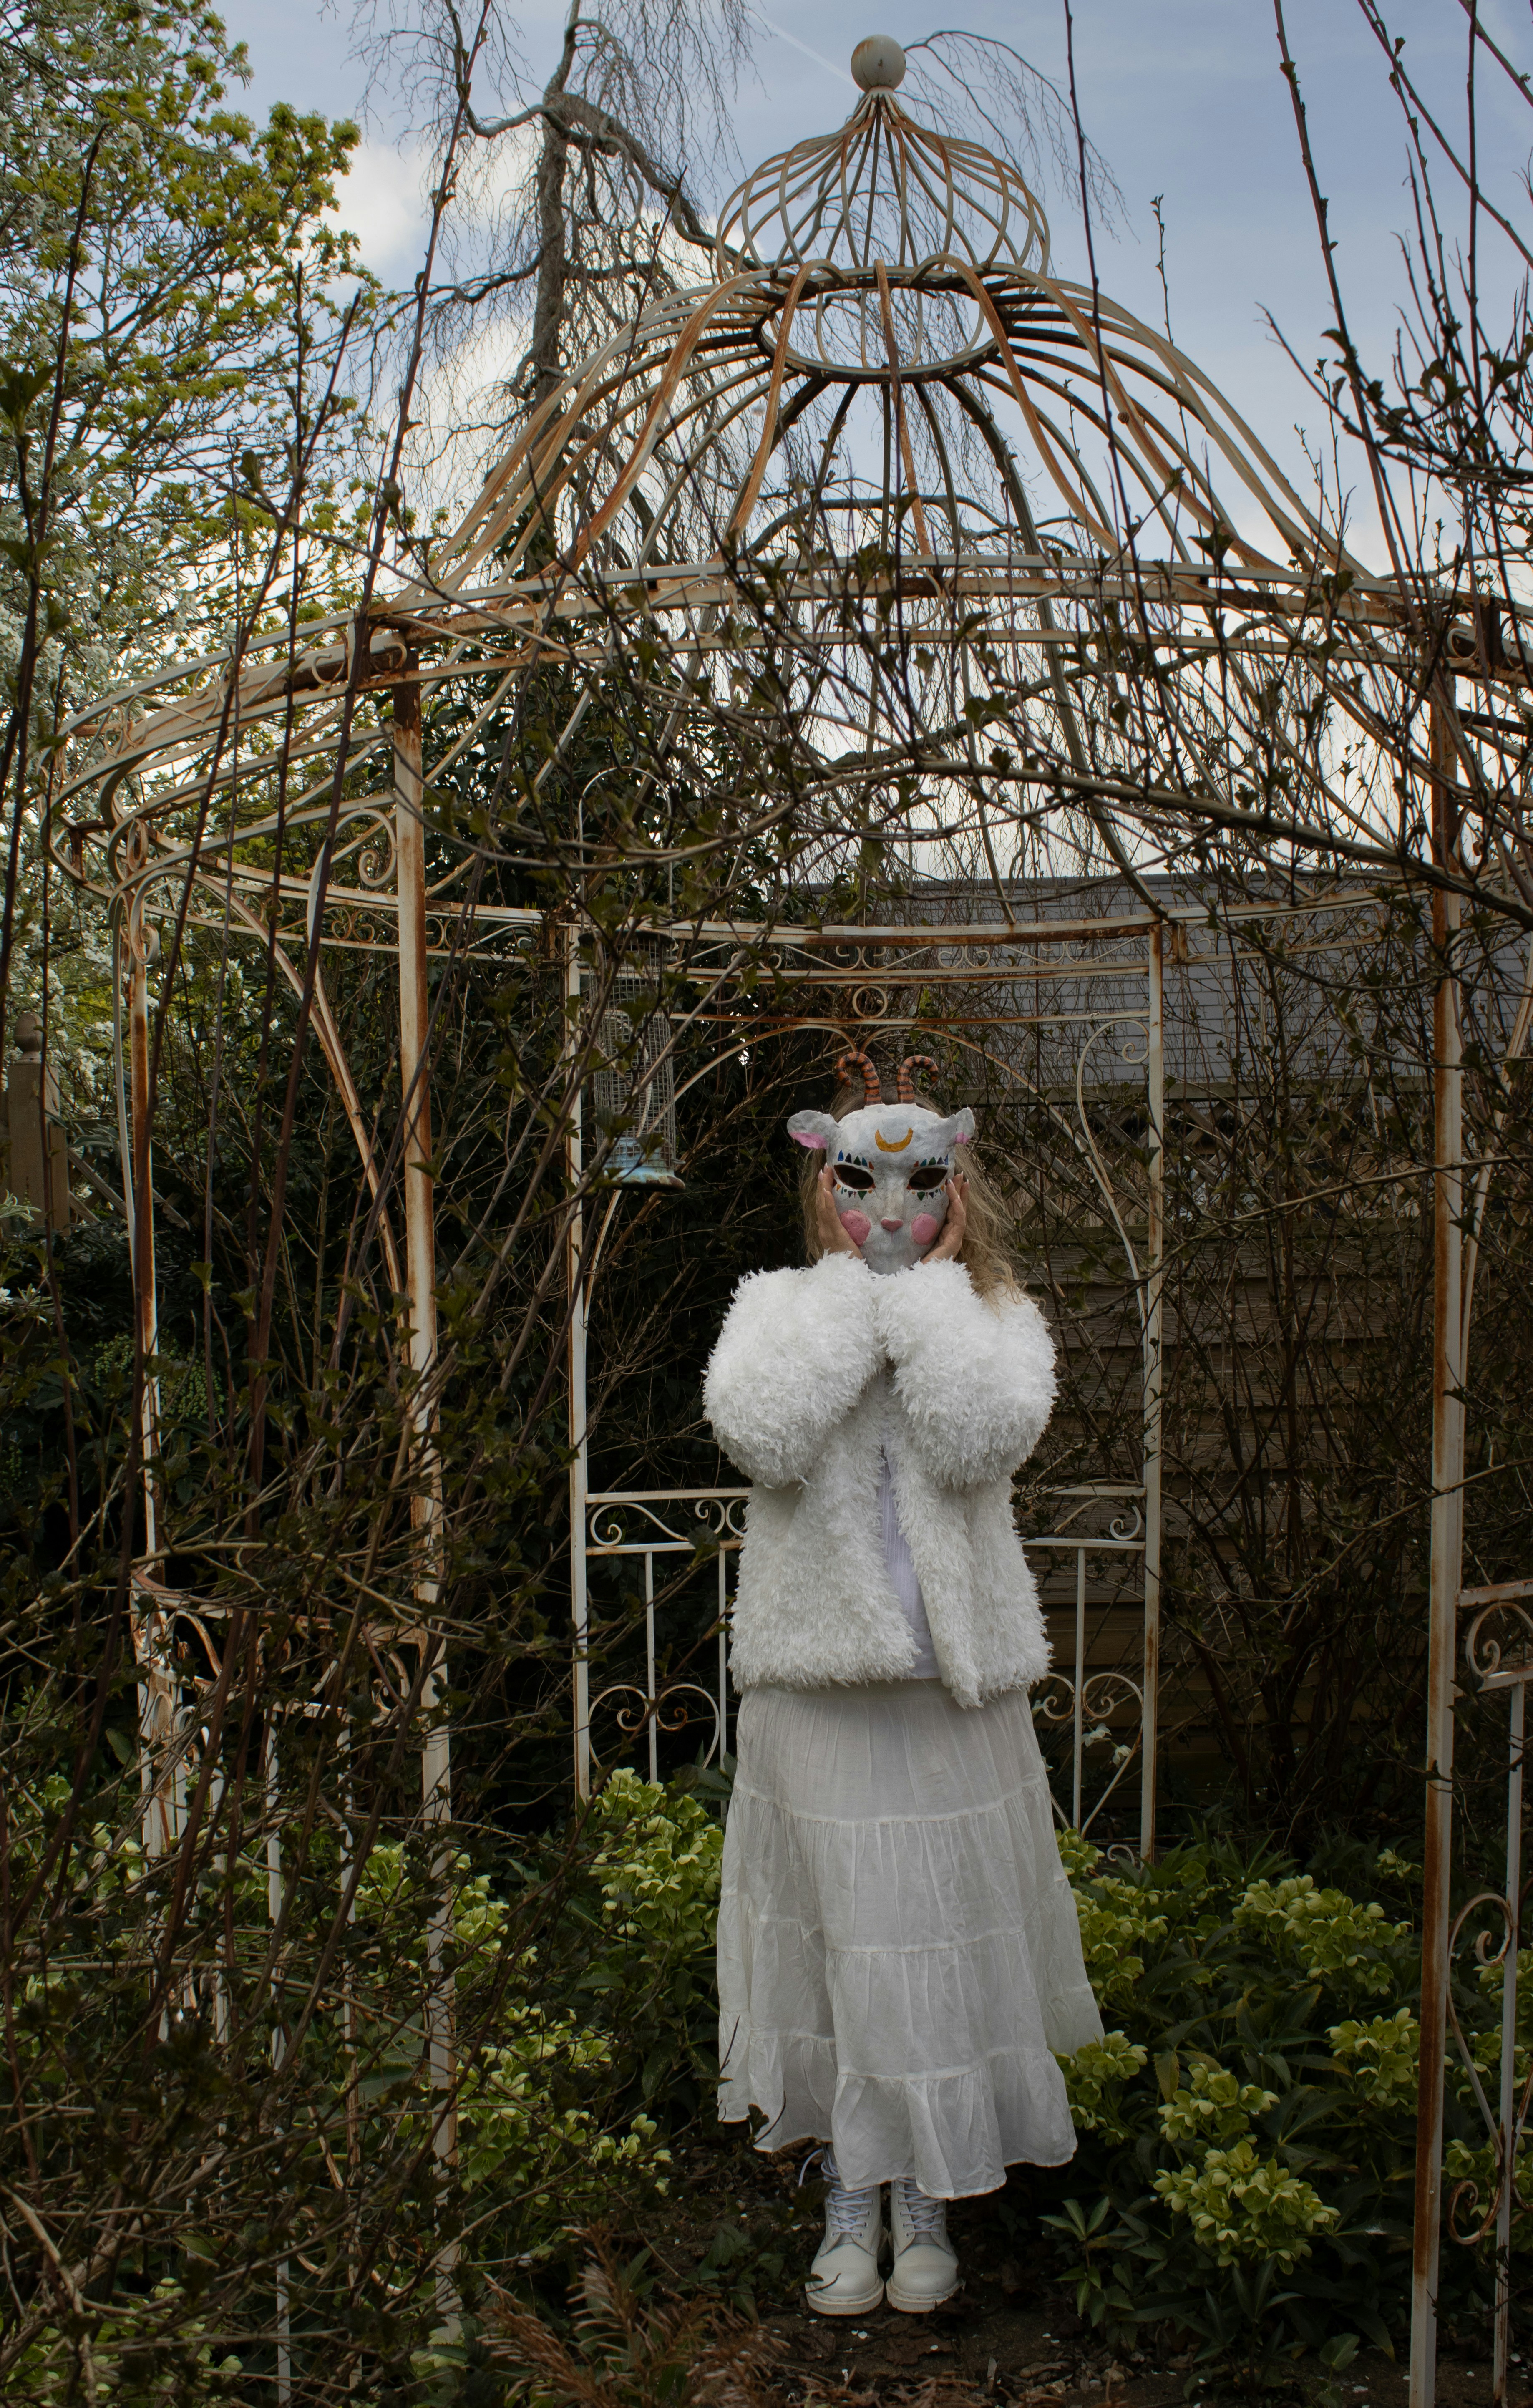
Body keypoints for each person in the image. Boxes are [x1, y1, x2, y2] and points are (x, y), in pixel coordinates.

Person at [703, 1050, 1103, 2318]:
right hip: (818, 1693)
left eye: (915, 1185)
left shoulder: (994, 1315)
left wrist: (917, 1303)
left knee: (927, 1935)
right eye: (859, 1185)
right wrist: (845, 1309)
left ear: (953, 1187)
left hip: (948, 1693)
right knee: (838, 1941)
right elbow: (757, 1433)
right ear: (824, 1185)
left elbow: (979, 1436)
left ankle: (924, 2194)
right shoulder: (775, 1304)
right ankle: (846, 2195)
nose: (885, 1210)